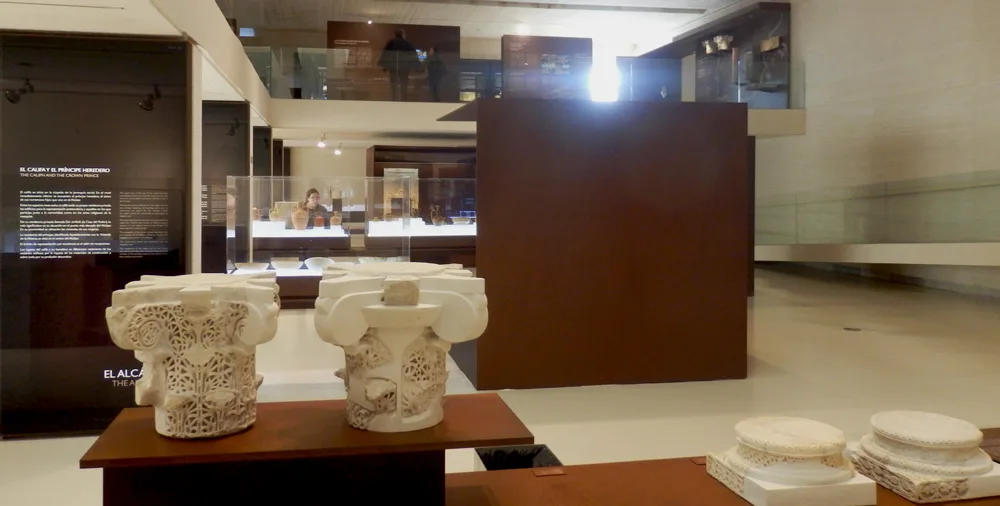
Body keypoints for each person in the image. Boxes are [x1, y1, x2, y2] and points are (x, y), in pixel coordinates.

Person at [378, 28, 419, 101]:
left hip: (394, 67)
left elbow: (386, 54)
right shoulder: (407, 43)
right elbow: (413, 55)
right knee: (404, 84)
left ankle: (394, 99)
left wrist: (385, 66)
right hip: (404, 67)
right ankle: (403, 99)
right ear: (402, 34)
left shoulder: (391, 42)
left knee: (394, 84)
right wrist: (416, 66)